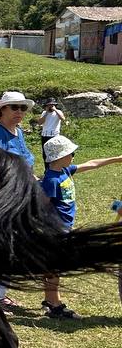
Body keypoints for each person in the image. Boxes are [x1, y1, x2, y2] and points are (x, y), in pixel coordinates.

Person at [38, 135, 122, 319]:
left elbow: (92, 163)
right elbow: (42, 206)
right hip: (56, 230)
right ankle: (54, 305)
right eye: (71, 153)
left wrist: (115, 159)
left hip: (65, 228)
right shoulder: (51, 180)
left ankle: (50, 301)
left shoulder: (66, 171)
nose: (74, 155)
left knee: (53, 267)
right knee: (55, 268)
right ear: (60, 156)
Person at [0, 91, 35, 312]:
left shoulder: (18, 132)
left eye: (22, 108)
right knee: (3, 245)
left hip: (21, 195)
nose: (19, 112)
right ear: (2, 110)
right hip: (5, 197)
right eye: (14, 107)